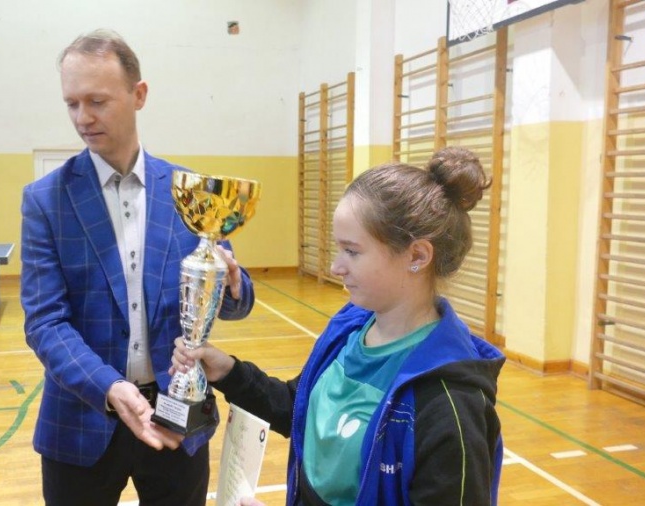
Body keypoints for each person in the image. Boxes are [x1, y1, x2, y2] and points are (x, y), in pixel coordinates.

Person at [172, 147, 506, 505]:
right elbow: (300, 407)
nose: (336, 267)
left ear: (417, 256)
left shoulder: (449, 402)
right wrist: (229, 373)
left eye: (352, 251)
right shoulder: (351, 327)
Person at [20, 29, 256, 506]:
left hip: (178, 416)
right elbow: (45, 323)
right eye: (72, 104)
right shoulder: (46, 200)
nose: (83, 118)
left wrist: (231, 285)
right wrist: (109, 388)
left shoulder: (190, 193)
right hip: (82, 420)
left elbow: (235, 303)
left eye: (97, 101)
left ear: (139, 94)